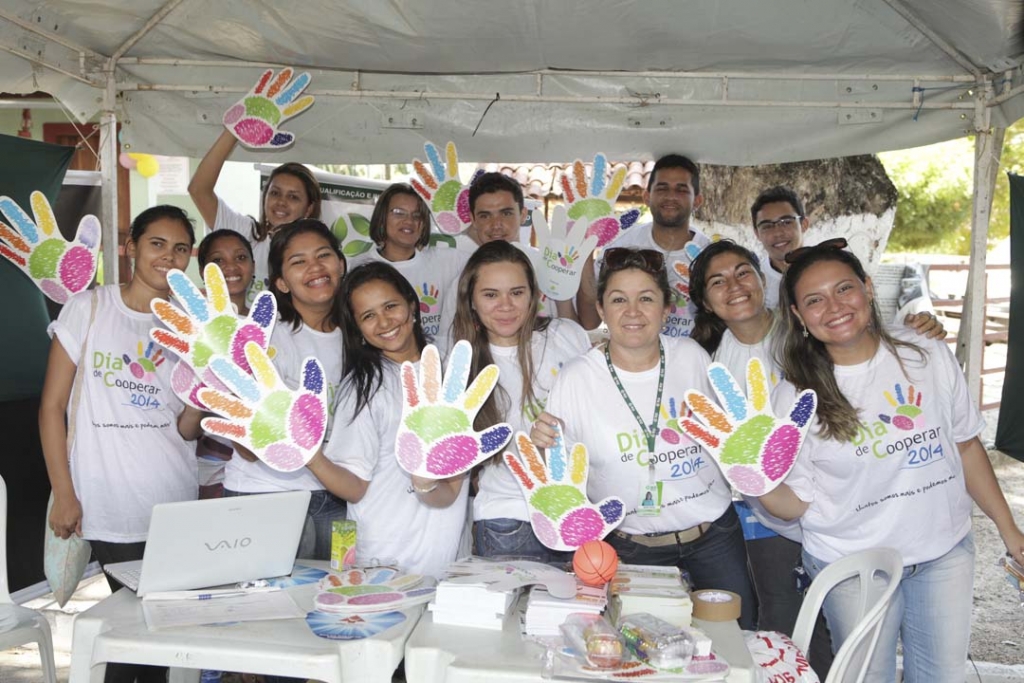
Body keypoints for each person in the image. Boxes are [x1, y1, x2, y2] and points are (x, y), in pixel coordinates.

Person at [759, 240, 1024, 682]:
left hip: (944, 551)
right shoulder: (794, 398)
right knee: (868, 677)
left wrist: (1009, 528)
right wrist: (755, 479)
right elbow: (795, 505)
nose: (834, 307)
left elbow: (965, 445)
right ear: (798, 316)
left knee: (940, 677)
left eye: (844, 289)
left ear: (867, 287)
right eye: (814, 300)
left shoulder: (925, 351)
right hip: (853, 564)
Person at [532, 246, 757, 630]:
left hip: (713, 536)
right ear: (601, 309)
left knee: (738, 639)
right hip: (632, 546)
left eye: (646, 299)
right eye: (618, 299)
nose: (632, 311)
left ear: (667, 308)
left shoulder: (691, 357)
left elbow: (728, 437)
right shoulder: (576, 378)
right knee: (641, 651)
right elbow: (561, 475)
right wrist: (543, 451)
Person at [40, 205, 202, 683]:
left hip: (173, 500)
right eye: (157, 244)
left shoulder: (189, 327)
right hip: (107, 502)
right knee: (133, 636)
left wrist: (204, 394)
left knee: (153, 637)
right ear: (131, 247)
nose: (168, 257)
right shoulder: (89, 307)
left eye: (180, 249)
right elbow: (52, 407)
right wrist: (65, 493)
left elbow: (186, 429)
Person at [688, 239, 832, 677]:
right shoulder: (708, 359)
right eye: (718, 281)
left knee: (815, 616)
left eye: (742, 272)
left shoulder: (805, 332)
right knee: (765, 613)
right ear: (705, 302)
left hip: (819, 500)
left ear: (761, 278)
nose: (734, 285)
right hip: (747, 510)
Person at [305, 262, 469, 578]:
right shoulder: (364, 387)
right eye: (368, 316)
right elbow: (354, 487)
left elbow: (451, 488)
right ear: (358, 329)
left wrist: (425, 482)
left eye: (390, 306)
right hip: (381, 563)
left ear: (412, 305)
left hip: (446, 563)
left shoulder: (451, 372)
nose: (384, 322)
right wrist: (308, 456)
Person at [451, 240, 591, 563]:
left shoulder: (566, 335)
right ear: (470, 301)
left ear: (533, 295)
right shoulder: (462, 365)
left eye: (516, 292)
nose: (505, 306)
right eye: (490, 294)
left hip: (577, 513)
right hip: (508, 520)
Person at [222, 219, 347, 560]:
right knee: (265, 608)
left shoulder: (361, 336)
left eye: (324, 255)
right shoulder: (265, 335)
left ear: (341, 264)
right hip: (265, 494)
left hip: (334, 496)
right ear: (281, 282)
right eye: (298, 262)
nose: (315, 268)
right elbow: (245, 445)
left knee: (329, 601)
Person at [576, 154, 710, 336]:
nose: (671, 196)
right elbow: (590, 321)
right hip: (630, 359)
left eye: (681, 189)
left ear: (698, 201)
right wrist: (585, 249)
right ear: (646, 197)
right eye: (662, 188)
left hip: (692, 361)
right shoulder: (621, 245)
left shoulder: (709, 255)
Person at [188, 129, 322, 304]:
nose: (281, 202)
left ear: (309, 208)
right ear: (264, 197)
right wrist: (232, 132)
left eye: (293, 197)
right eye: (275, 193)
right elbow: (199, 190)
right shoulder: (246, 233)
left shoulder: (317, 254)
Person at [350, 183, 468, 343]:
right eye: (399, 213)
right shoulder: (359, 265)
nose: (409, 221)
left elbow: (491, 261)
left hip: (435, 362)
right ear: (382, 218)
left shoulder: (447, 260)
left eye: (417, 215)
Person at [193, 229, 256, 498]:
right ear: (202, 270)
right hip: (206, 458)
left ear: (253, 267)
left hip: (259, 465)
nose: (231, 266)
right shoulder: (191, 324)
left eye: (241, 257)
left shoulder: (267, 324)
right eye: (218, 261)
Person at [749, 186, 809, 310]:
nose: (778, 233)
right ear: (757, 234)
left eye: (786, 222)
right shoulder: (754, 282)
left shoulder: (831, 265)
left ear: (804, 225)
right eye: (767, 226)